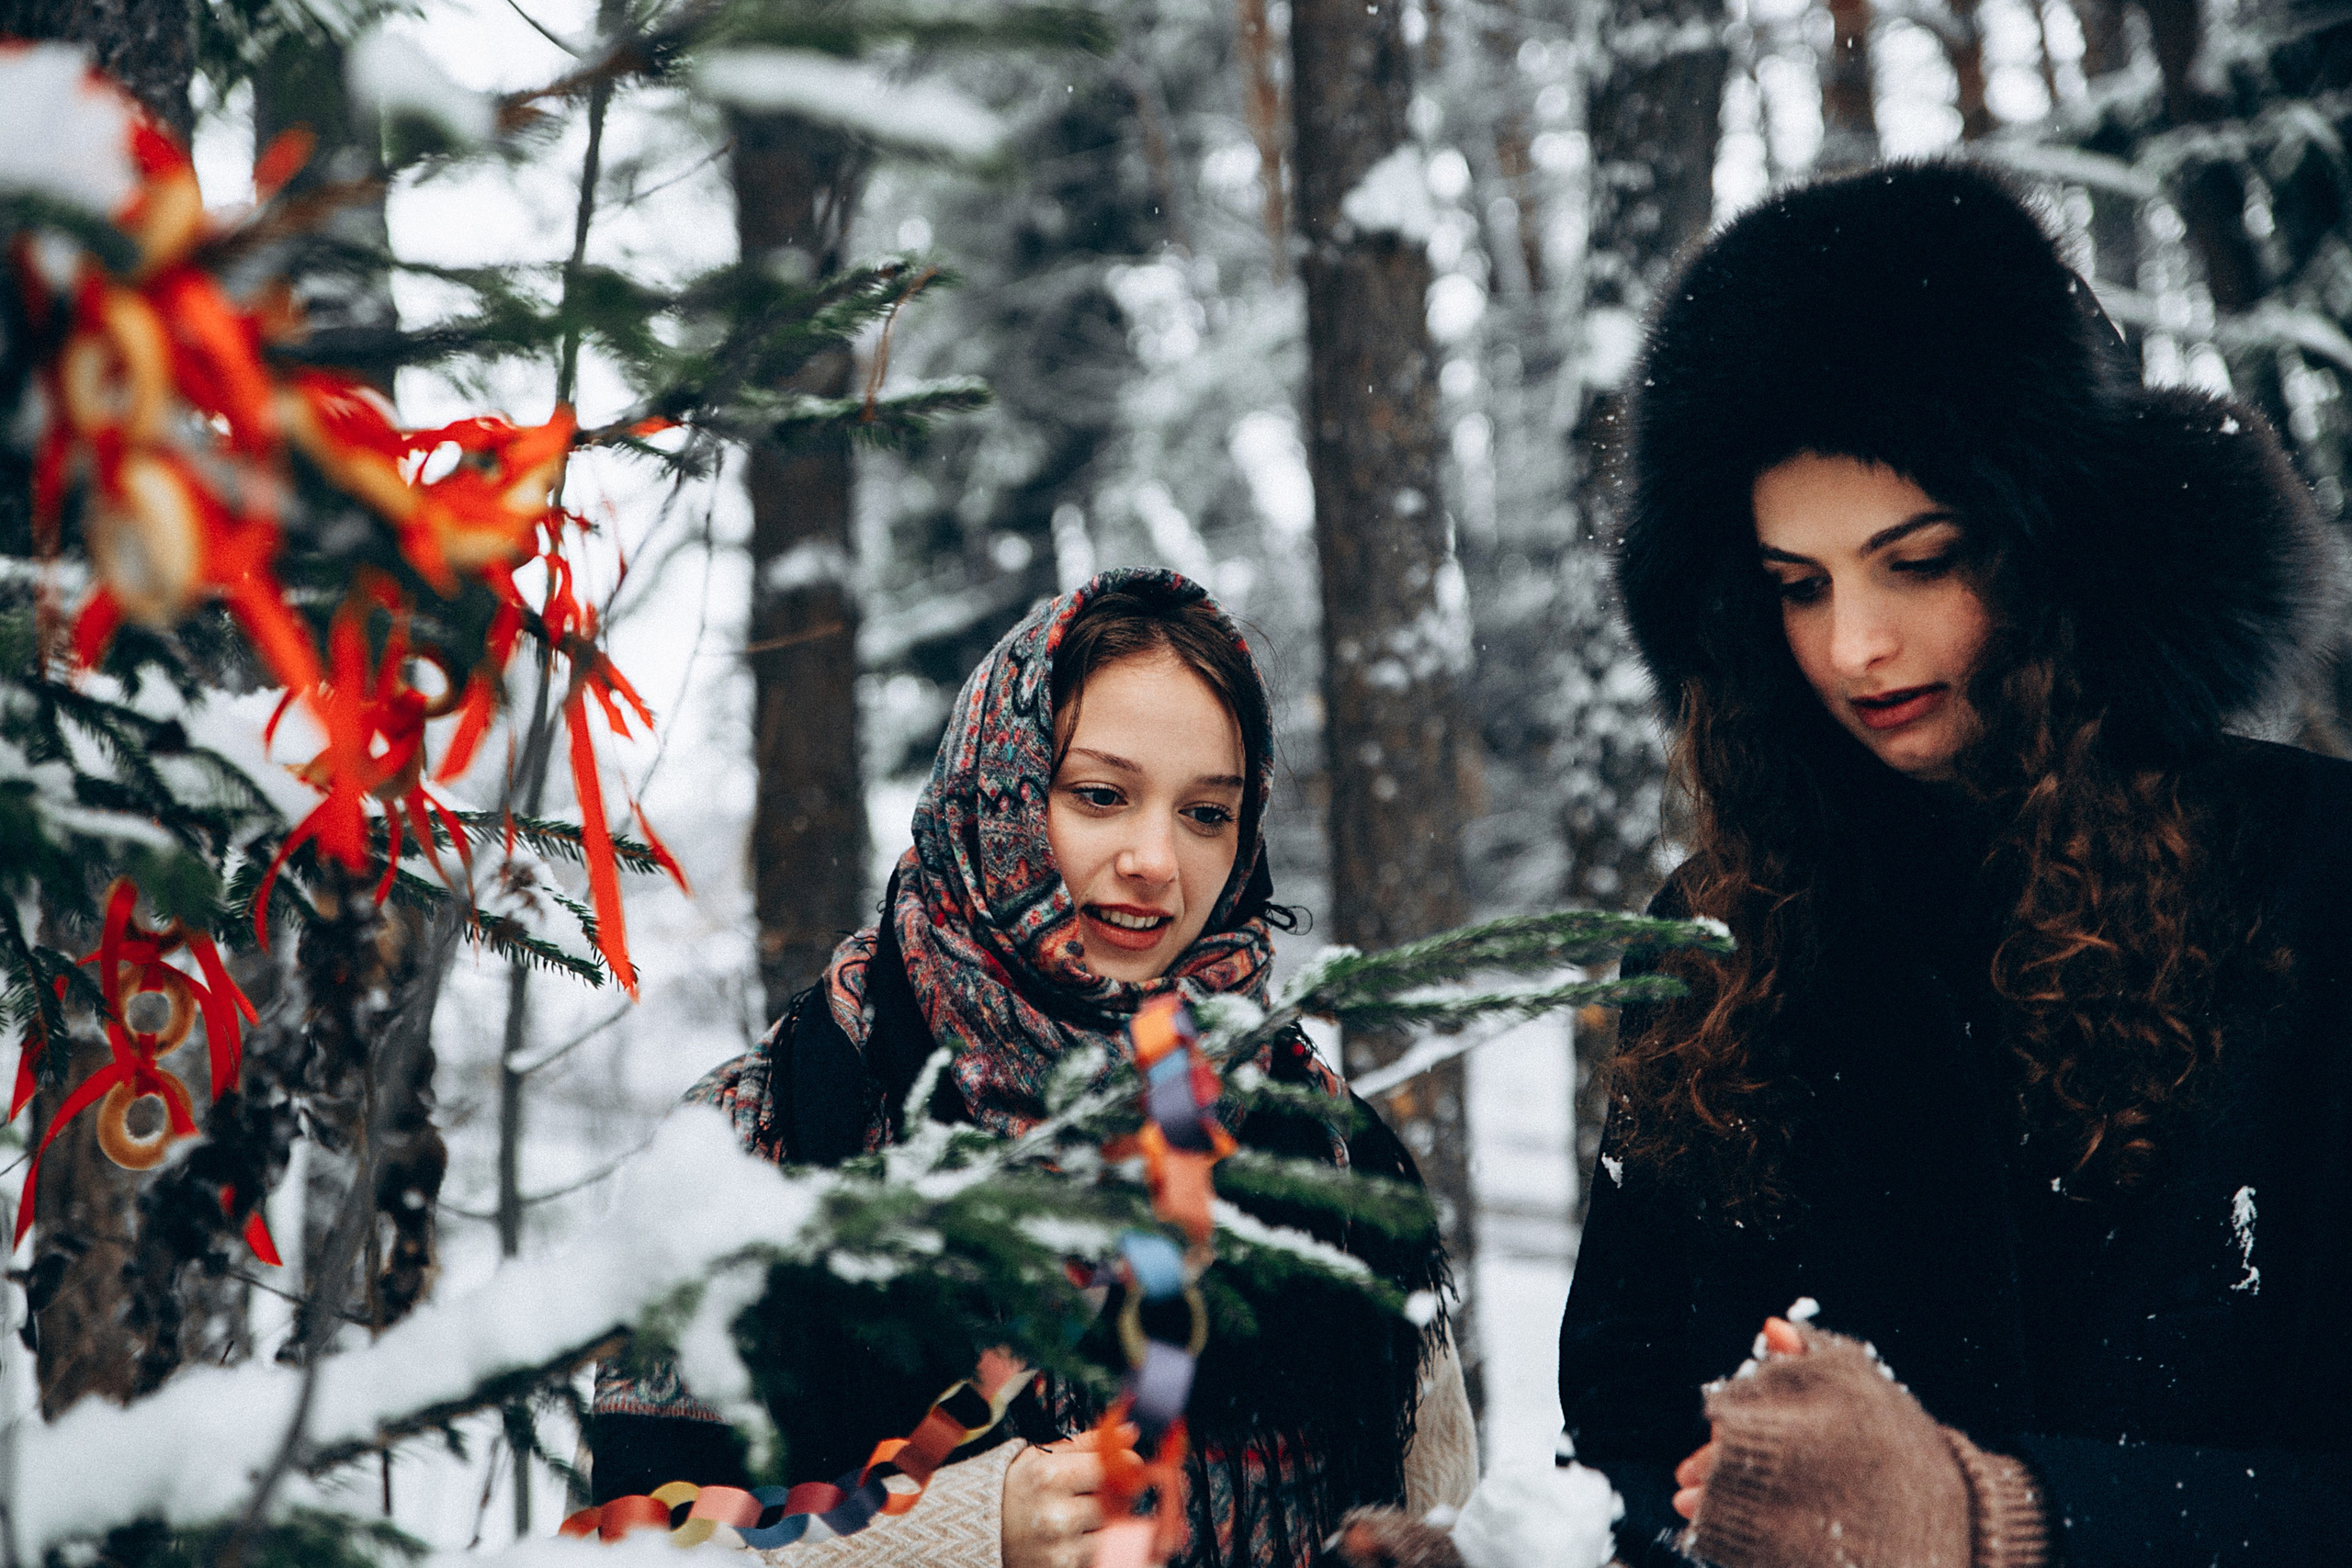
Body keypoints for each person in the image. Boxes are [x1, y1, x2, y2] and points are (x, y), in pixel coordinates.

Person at [1557, 161, 2352, 1568]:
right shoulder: (1712, 936)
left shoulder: (2310, 874)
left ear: (2056, 547)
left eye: (1916, 559)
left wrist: (2014, 1515)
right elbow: (1637, 1441)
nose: (1853, 644)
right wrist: (1525, 1548)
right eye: (1796, 585)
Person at [591, 568, 1478, 1568]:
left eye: (1205, 814)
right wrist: (960, 1530)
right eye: (1101, 796)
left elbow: (1439, 1506)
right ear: (996, 793)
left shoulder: (1317, 1137)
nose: (1157, 860)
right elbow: (636, 1549)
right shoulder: (767, 1130)